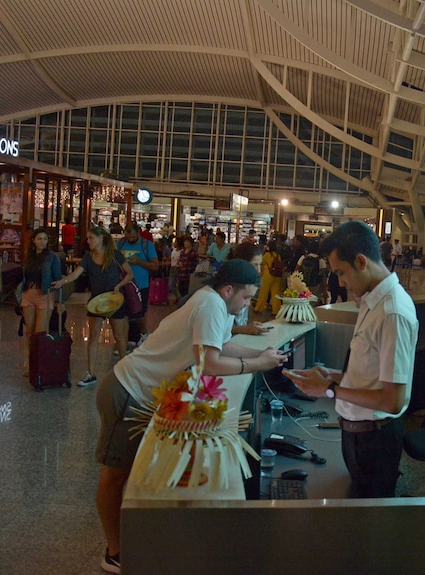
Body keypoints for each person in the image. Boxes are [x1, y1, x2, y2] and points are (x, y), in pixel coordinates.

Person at [93, 259, 289, 573]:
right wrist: (257, 364)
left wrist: (263, 354)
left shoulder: (216, 303)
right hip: (128, 390)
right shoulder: (211, 304)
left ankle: (127, 538)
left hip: (138, 391)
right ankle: (114, 551)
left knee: (128, 470)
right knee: (114, 475)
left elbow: (223, 345)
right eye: (247, 297)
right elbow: (210, 362)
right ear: (229, 290)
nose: (248, 304)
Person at [284, 221, 418, 498]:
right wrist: (331, 375)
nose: (341, 282)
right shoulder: (373, 302)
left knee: (369, 524)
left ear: (361, 261)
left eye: (341, 273)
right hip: (357, 434)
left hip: (374, 440)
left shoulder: (393, 312)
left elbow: (392, 400)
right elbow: (368, 373)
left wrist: (329, 390)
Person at [52, 226, 134, 387]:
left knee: (119, 336)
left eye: (91, 238)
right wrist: (62, 281)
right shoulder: (88, 258)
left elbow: (130, 274)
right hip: (96, 300)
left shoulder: (115, 255)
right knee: (93, 335)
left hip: (114, 299)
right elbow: (75, 274)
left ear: (101, 238)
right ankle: (91, 373)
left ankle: (123, 371)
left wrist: (119, 285)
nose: (88, 241)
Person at [20, 227, 62, 374]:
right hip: (28, 293)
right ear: (33, 241)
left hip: (45, 294)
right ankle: (31, 363)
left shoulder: (52, 257)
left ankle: (40, 364)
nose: (42, 241)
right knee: (29, 332)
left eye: (44, 239)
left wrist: (59, 301)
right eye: (39, 238)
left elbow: (58, 278)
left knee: (40, 333)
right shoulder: (29, 257)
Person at [117, 222, 159, 346]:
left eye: (133, 238)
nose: (130, 240)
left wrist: (139, 262)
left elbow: (155, 266)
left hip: (141, 285)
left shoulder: (147, 245)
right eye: (128, 237)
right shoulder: (120, 244)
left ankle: (143, 335)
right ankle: (127, 338)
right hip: (123, 284)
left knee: (139, 313)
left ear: (139, 233)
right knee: (124, 314)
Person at [230, 242, 266, 335]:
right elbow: (220, 328)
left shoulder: (247, 285)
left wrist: (248, 327)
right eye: (255, 265)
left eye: (260, 265)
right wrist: (243, 329)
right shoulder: (229, 288)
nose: (258, 270)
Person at [254, 240, 283, 316]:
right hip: (277, 276)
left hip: (268, 275)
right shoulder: (278, 255)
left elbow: (261, 262)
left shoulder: (267, 254)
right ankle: (276, 310)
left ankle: (258, 308)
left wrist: (263, 252)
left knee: (263, 292)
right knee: (275, 293)